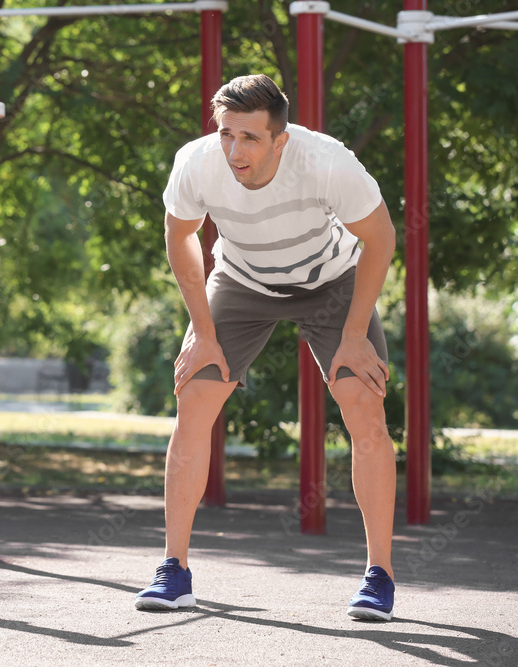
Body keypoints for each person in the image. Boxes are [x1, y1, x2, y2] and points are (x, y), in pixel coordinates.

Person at [134, 74, 397, 621]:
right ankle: (173, 570)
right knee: (193, 397)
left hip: (331, 282)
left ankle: (379, 575)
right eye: (226, 133)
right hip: (242, 281)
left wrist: (354, 336)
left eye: (250, 138)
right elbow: (180, 236)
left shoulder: (327, 161)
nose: (235, 151)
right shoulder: (197, 163)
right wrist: (203, 332)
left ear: (281, 139)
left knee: (363, 403)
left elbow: (381, 237)